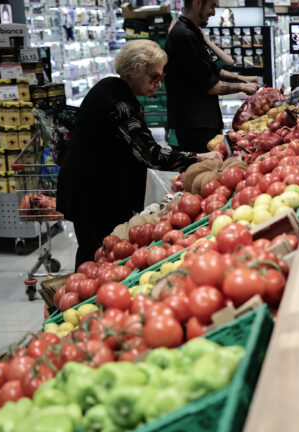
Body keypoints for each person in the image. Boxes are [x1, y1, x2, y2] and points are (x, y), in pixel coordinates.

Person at [56, 40, 219, 268]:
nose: (159, 84)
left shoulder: (108, 87)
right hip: (95, 195)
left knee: (94, 251)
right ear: (135, 71)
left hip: (87, 188)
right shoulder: (120, 104)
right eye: (154, 77)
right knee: (98, 256)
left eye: (161, 77)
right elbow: (151, 154)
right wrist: (199, 158)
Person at [165, 0, 259, 153]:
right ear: (197, 3)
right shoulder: (184, 35)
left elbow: (214, 70)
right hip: (195, 127)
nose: (214, 12)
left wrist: (244, 79)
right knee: (205, 167)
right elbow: (212, 87)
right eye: (212, 6)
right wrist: (243, 87)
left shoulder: (192, 32)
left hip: (202, 122)